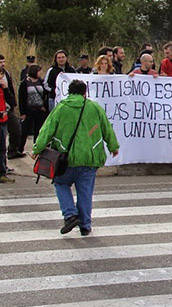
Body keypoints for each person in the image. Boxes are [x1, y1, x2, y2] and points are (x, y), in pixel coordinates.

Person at [32, 80, 118, 235]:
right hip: (89, 158)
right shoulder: (94, 107)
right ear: (85, 93)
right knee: (85, 191)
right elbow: (107, 128)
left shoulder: (61, 108)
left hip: (66, 158)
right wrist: (113, 147)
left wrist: (37, 149)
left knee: (61, 184)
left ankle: (70, 214)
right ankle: (85, 225)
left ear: (69, 92)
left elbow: (47, 130)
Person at [18, 64, 46, 155]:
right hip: (28, 109)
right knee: (24, 130)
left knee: (38, 130)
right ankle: (20, 148)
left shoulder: (41, 82)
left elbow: (45, 94)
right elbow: (21, 98)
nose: (41, 73)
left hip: (39, 109)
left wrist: (44, 106)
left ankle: (36, 148)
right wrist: (22, 112)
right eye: (39, 71)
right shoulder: (24, 83)